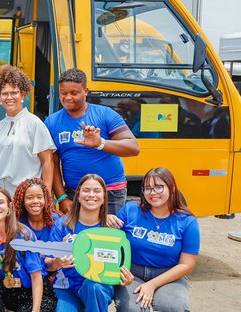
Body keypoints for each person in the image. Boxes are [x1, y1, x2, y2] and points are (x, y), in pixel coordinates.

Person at [44, 68, 140, 214]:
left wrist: (100, 143)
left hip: (110, 193)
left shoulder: (105, 114)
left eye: (74, 93)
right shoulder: (52, 122)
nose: (68, 98)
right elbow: (53, 163)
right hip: (75, 193)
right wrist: (62, 198)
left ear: (86, 91)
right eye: (63, 93)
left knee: (109, 236)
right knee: (77, 236)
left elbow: (133, 148)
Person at [109, 167, 199, 311]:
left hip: (168, 274)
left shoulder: (187, 221)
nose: (153, 193)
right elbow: (109, 237)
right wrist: (107, 220)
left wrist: (152, 284)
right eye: (148, 188)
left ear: (172, 188)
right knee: (132, 309)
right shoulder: (130, 210)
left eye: (159, 187)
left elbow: (186, 264)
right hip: (132, 273)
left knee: (172, 307)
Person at [0, 66, 55, 195]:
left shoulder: (34, 123)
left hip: (24, 194)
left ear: (22, 94)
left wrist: (46, 195)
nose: (9, 97)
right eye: (5, 93)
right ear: (0, 97)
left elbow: (47, 162)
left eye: (14, 93)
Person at [0, 186, 56, 312]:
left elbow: (36, 278)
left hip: (33, 293)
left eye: (0, 202)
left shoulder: (24, 236)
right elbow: (0, 268)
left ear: (9, 207)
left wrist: (35, 310)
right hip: (10, 289)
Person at [48, 174, 118, 312]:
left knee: (94, 287)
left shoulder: (111, 228)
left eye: (97, 191)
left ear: (104, 197)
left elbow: (118, 265)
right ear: (78, 196)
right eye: (86, 190)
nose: (91, 195)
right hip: (66, 288)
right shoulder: (62, 225)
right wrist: (56, 263)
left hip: (98, 287)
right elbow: (47, 263)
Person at [13, 178, 58, 242]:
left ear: (46, 199)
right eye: (30, 198)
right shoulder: (18, 224)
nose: (35, 201)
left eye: (39, 197)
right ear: (23, 201)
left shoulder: (56, 221)